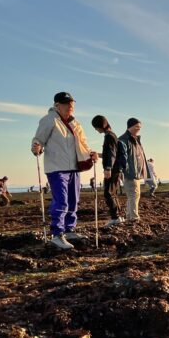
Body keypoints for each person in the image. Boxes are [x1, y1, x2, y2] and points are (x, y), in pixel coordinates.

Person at [31, 91, 98, 250]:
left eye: (72, 104)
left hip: (74, 167)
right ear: (57, 105)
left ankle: (69, 230)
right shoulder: (49, 120)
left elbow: (83, 145)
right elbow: (38, 140)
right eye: (67, 104)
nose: (70, 107)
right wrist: (36, 148)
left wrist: (91, 154)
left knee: (73, 200)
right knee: (61, 200)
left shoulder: (76, 124)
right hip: (56, 168)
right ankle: (57, 234)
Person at [92, 115, 123, 227]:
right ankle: (119, 216)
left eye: (96, 127)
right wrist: (98, 155)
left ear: (100, 126)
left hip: (112, 169)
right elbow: (110, 154)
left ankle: (116, 218)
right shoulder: (112, 135)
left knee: (108, 193)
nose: (96, 130)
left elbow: (111, 153)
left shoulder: (109, 136)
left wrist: (108, 168)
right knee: (112, 193)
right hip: (116, 169)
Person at [117, 118, 149, 223]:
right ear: (129, 126)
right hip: (130, 172)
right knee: (134, 195)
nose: (139, 128)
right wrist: (122, 170)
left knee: (133, 195)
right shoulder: (123, 139)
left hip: (136, 173)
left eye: (140, 127)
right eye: (136, 126)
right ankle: (134, 217)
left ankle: (130, 215)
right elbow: (120, 156)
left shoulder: (135, 139)